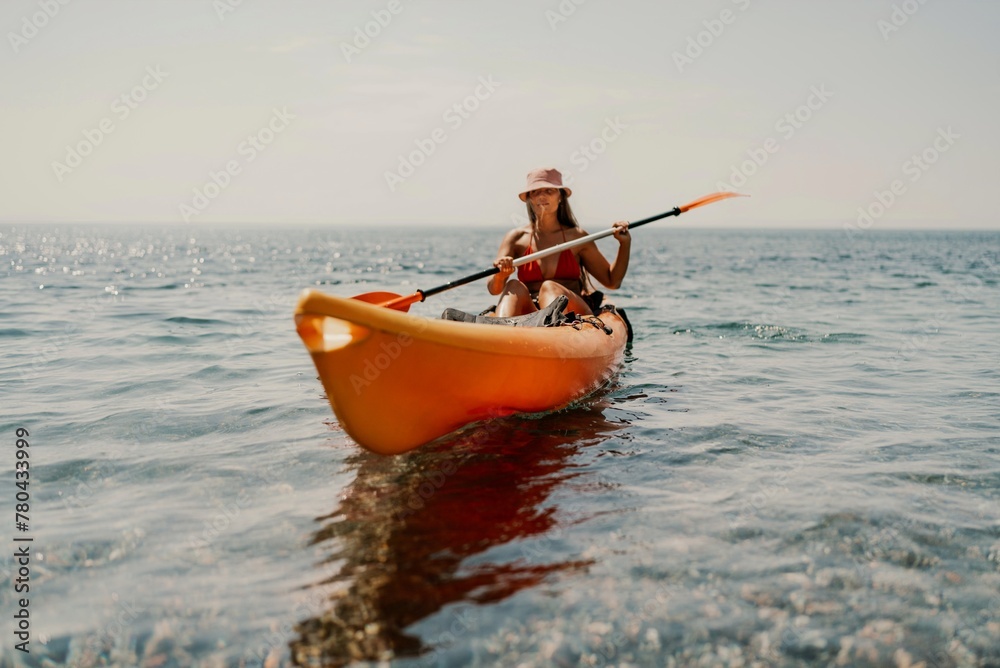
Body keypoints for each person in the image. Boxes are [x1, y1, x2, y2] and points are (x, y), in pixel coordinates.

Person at [488, 167, 630, 318]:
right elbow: (493, 289)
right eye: (535, 192)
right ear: (530, 199)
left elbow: (612, 282)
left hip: (572, 310)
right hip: (532, 310)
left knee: (549, 287)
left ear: (560, 196)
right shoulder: (516, 238)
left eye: (549, 191)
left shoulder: (577, 237)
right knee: (513, 285)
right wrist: (500, 276)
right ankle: (501, 329)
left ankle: (551, 324)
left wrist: (624, 244)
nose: (542, 195)